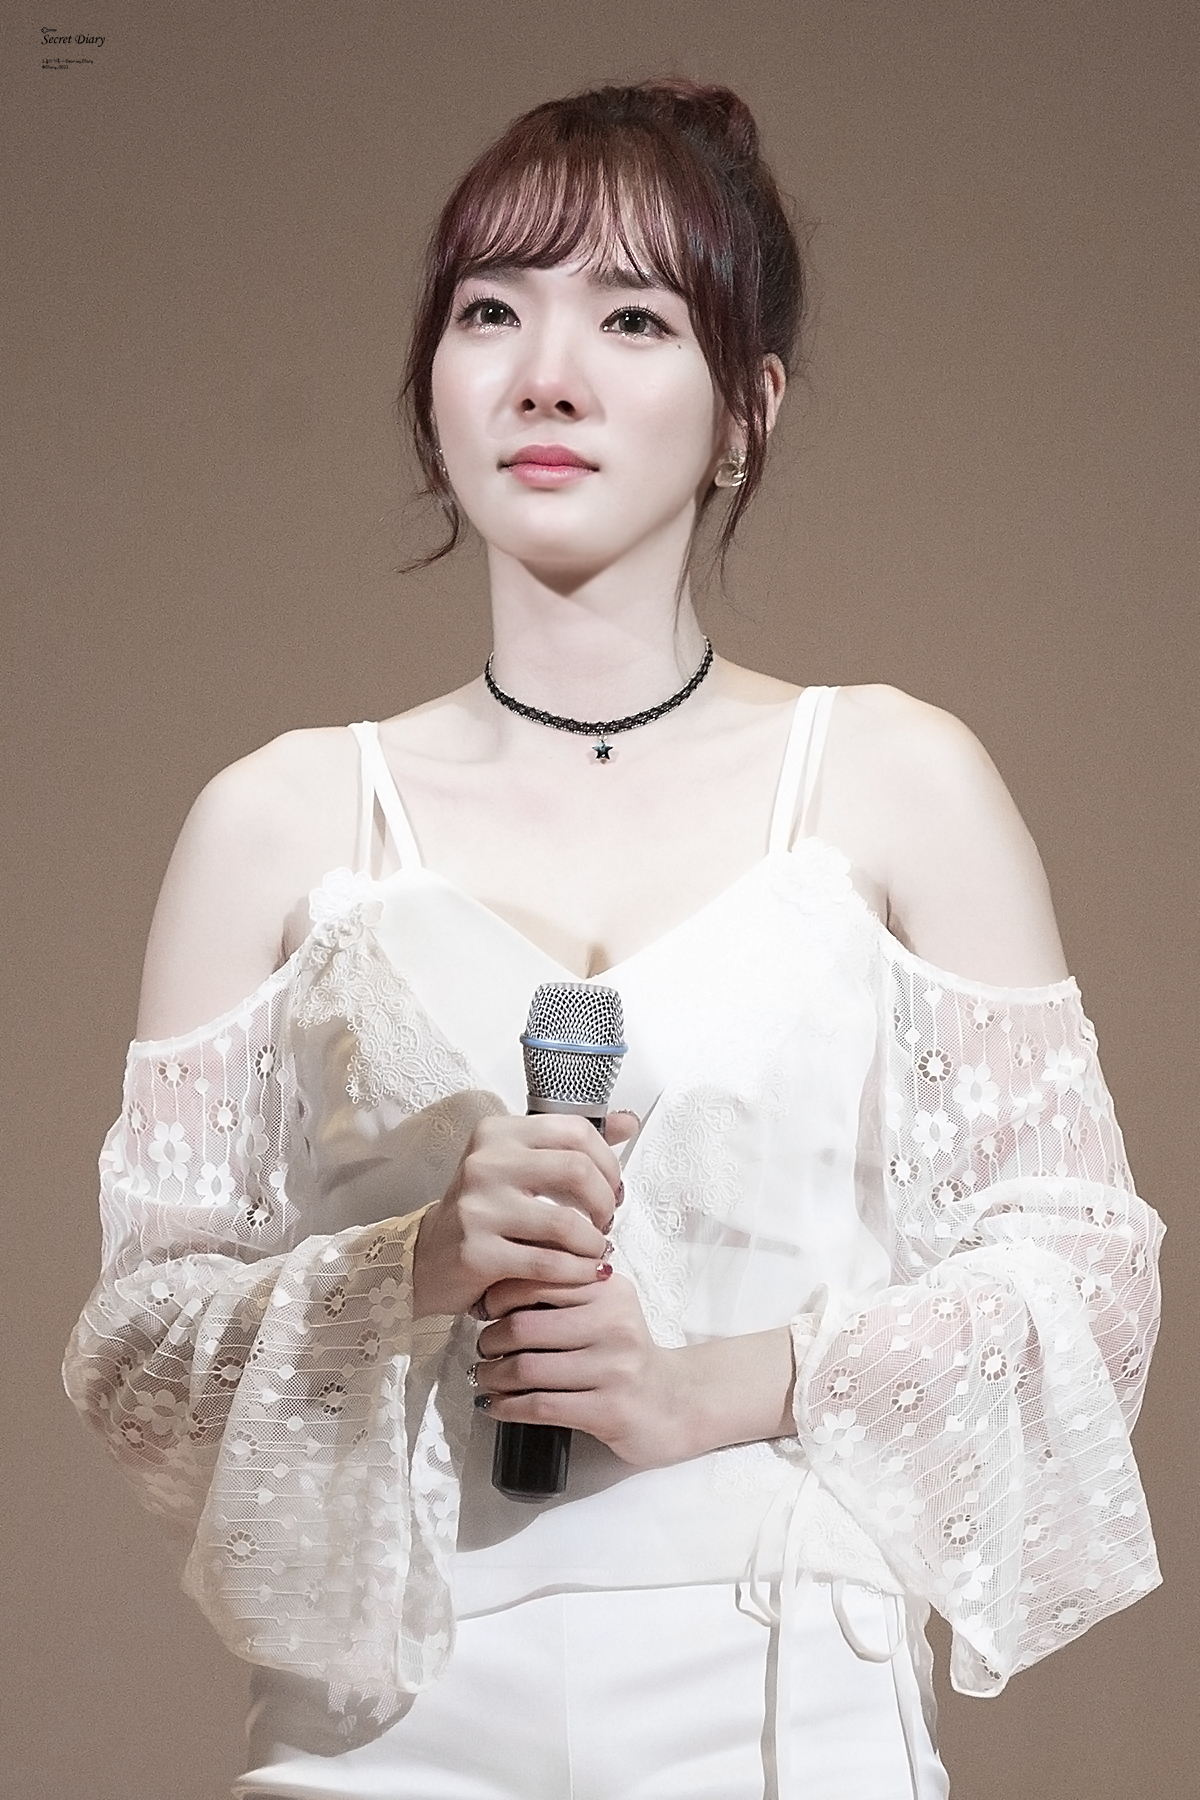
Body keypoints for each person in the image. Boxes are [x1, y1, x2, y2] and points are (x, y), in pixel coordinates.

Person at [64, 80, 1162, 1800]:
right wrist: (414, 1264)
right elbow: (139, 1357)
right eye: (491, 311)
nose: (547, 375)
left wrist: (711, 1385)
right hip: (386, 1723)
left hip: (784, 1697)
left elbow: (1088, 1287)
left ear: (747, 412)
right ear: (435, 382)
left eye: (633, 318)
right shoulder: (277, 820)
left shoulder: (896, 782)